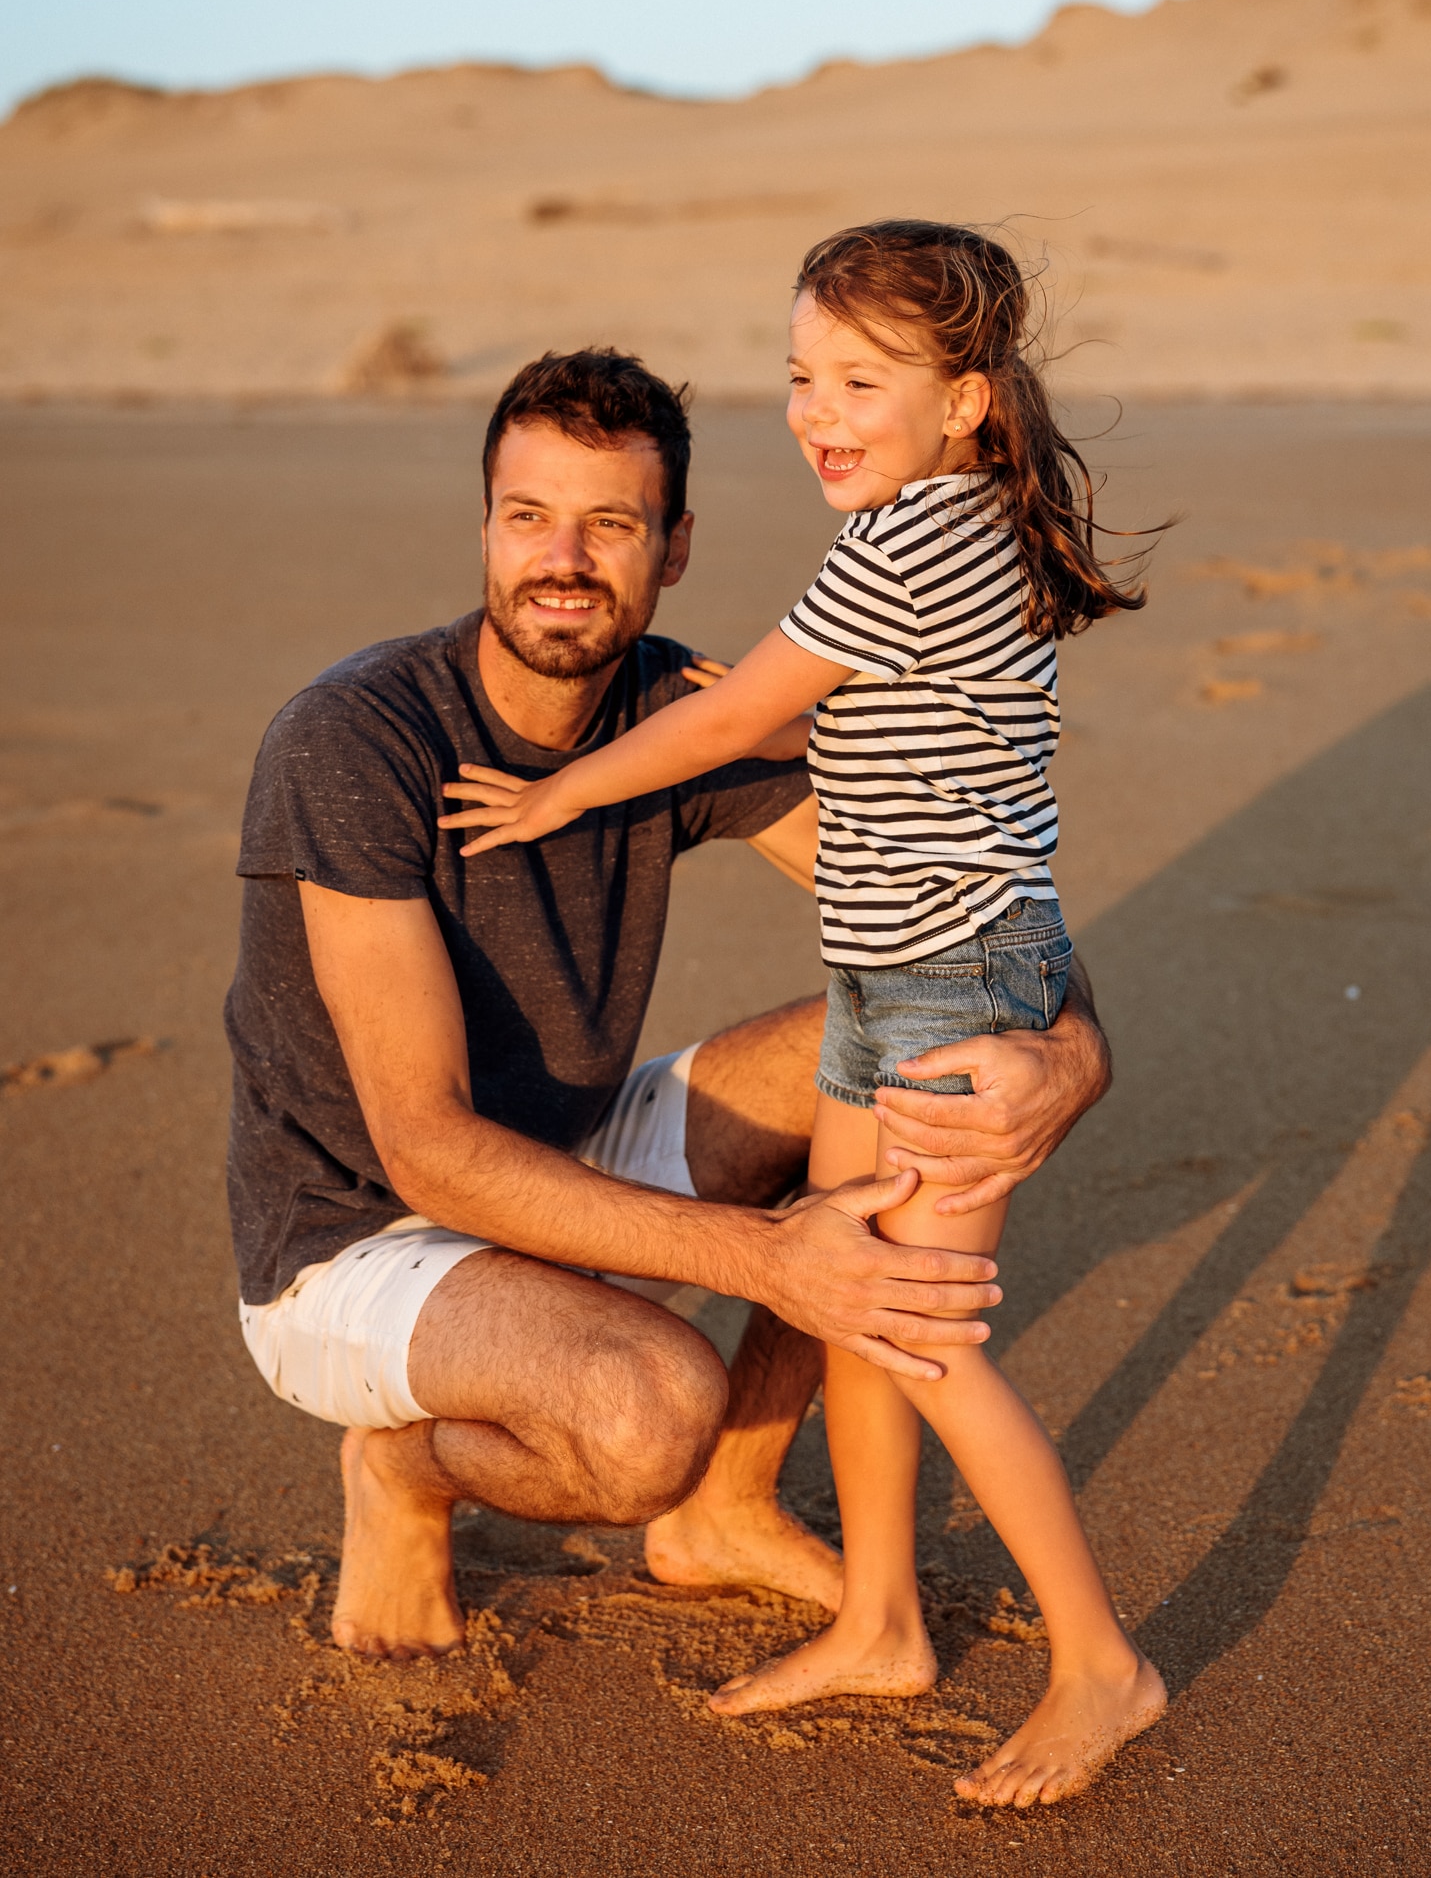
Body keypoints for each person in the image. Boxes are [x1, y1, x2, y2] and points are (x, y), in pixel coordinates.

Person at [225, 344, 1114, 1677]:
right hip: (359, 1236)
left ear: (675, 547)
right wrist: (766, 1259)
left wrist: (1070, 1049)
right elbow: (424, 1145)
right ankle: (406, 1470)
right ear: (484, 526)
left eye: (610, 524)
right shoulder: (355, 743)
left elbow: (950, 906)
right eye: (528, 517)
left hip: (564, 1160)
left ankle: (731, 1505)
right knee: (648, 1411)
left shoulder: (668, 711)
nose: (563, 561)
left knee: (920, 1047)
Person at [438, 227, 1168, 1808]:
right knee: (850, 1300)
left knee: (924, 1340)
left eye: (859, 380)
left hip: (956, 998)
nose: (815, 410)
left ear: (967, 401)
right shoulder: (965, 524)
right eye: (798, 377)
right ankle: (885, 1618)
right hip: (893, 973)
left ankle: (1104, 1664)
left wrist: (562, 787)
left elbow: (743, 714)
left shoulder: (907, 545)